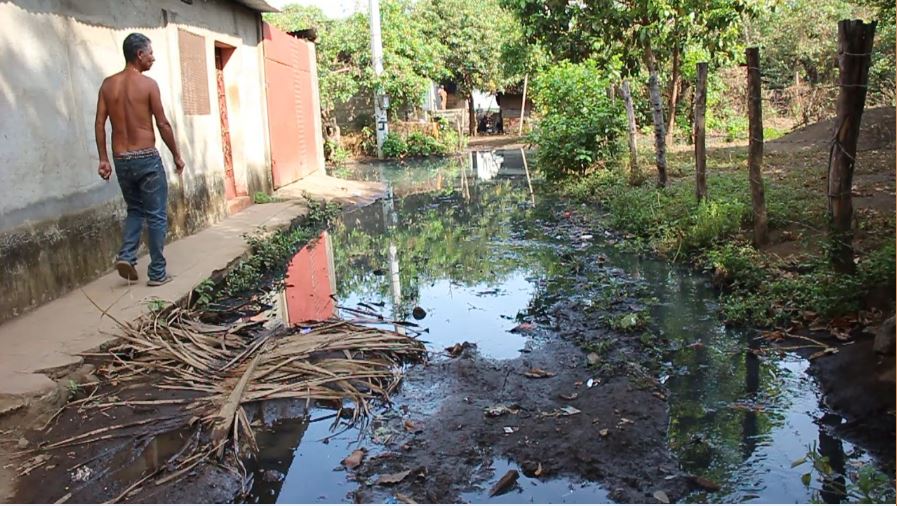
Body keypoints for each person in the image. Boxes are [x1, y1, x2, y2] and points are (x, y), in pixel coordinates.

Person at [95, 33, 185, 286]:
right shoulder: (148, 85)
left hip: (121, 159)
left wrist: (104, 159)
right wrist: (177, 155)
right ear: (139, 55)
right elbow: (163, 123)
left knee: (135, 209)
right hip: (146, 158)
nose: (153, 58)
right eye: (150, 53)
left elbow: (100, 123)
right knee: (156, 215)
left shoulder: (107, 85)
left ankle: (126, 256)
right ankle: (157, 273)